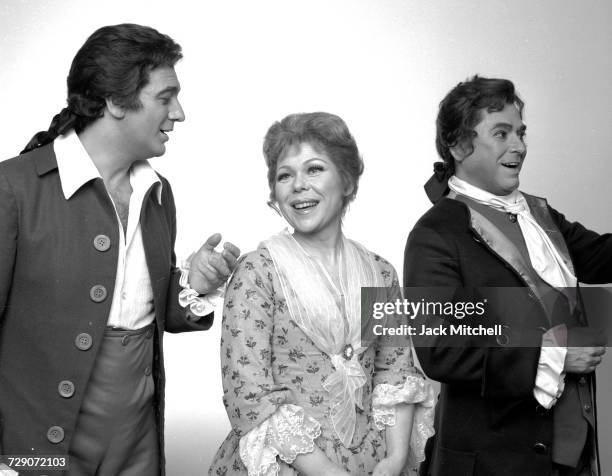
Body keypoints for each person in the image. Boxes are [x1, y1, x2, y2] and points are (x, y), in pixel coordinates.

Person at [0, 24, 239, 475]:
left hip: (136, 441)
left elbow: (147, 313)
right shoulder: (13, 188)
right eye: (165, 97)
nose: (180, 113)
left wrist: (196, 283)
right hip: (37, 448)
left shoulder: (158, 192)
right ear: (114, 101)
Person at [404, 76, 611, 476]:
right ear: (459, 145)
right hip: (496, 461)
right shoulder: (435, 234)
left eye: (520, 132)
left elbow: (601, 256)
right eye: (501, 133)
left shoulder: (539, 213)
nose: (519, 145)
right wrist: (555, 356)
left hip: (569, 451)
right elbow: (440, 350)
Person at [209, 112, 434, 476]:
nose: (298, 184)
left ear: (346, 181)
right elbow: (249, 393)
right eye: (285, 175)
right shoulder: (258, 272)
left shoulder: (379, 272)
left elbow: (394, 371)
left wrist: (394, 460)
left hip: (371, 464)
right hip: (288, 464)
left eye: (314, 169)